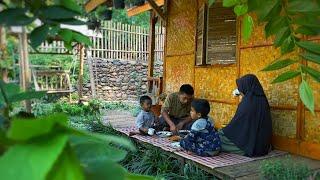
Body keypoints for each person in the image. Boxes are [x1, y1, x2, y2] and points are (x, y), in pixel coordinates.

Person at [219, 74, 272, 157]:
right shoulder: (263, 100)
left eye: (241, 88)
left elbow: (237, 126)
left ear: (246, 87)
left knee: (218, 137)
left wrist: (225, 130)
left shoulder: (247, 103)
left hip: (249, 146)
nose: (240, 91)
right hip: (263, 146)